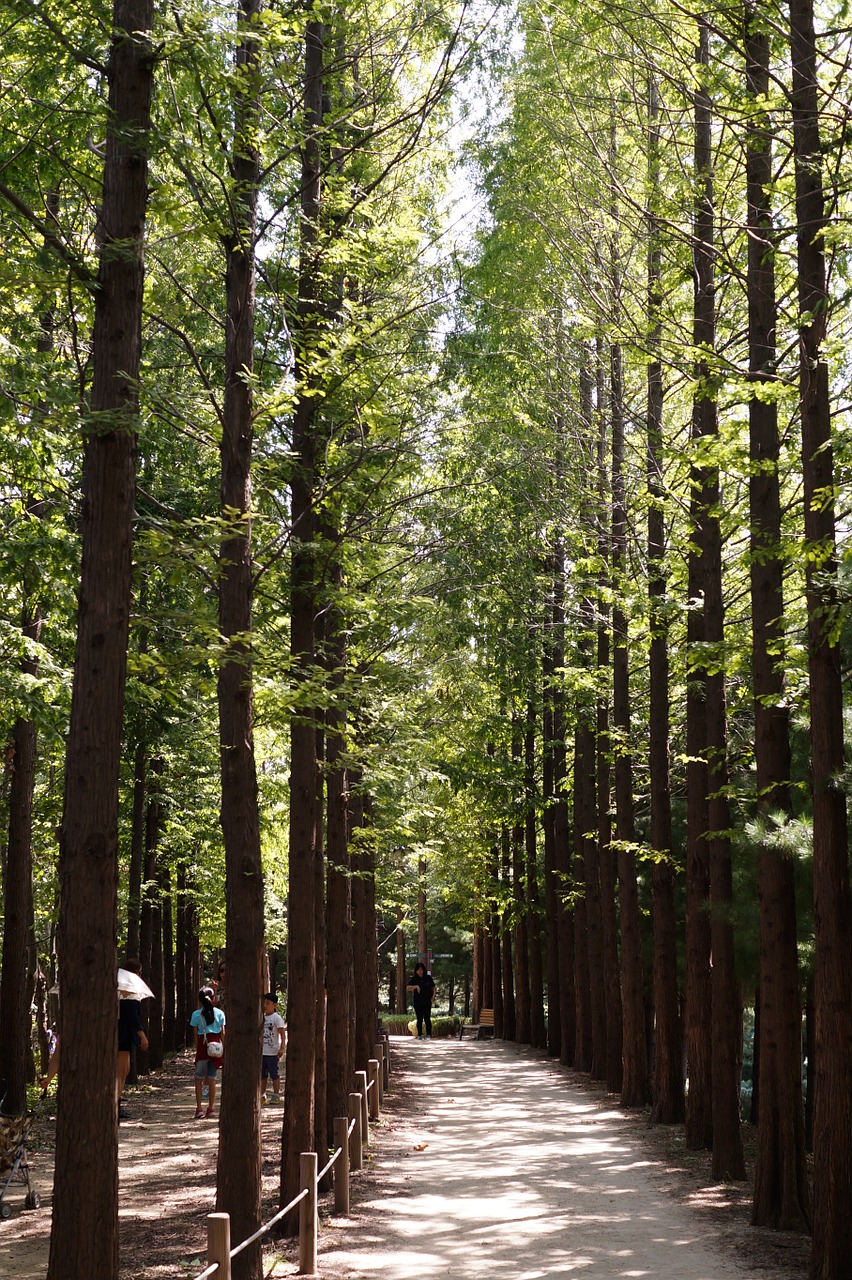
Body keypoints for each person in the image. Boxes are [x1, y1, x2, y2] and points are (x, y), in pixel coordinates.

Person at [117, 958, 149, 1121]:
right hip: (122, 1035)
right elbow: (132, 1017)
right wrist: (142, 1036)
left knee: (124, 1070)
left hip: (123, 1035)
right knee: (121, 1071)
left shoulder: (124, 989)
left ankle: (118, 1102)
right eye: (139, 972)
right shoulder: (128, 992)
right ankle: (116, 1104)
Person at [190, 986, 225, 1119]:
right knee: (212, 1078)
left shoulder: (196, 1015)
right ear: (213, 998)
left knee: (198, 1078)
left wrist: (197, 1048)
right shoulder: (220, 1013)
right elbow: (223, 1033)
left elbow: (195, 1034)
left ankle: (199, 1108)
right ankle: (211, 1107)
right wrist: (223, 1049)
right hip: (217, 1045)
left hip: (203, 1045)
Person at [261, 992, 285, 1103]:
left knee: (274, 1074)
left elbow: (282, 1033)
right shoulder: (261, 1017)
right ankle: (262, 1094)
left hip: (272, 1052)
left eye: (268, 1003)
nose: (265, 1006)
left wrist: (282, 1047)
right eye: (264, 1003)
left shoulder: (277, 1018)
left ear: (274, 1005)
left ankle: (276, 1095)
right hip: (262, 1052)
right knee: (262, 1075)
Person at [406, 962, 436, 1039]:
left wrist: (433, 996)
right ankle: (420, 1034)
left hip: (427, 1001)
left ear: (423, 970)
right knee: (419, 1019)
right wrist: (416, 986)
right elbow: (408, 987)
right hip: (418, 1002)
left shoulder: (428, 978)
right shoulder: (414, 979)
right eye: (418, 970)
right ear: (416, 971)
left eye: (421, 970)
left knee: (427, 1018)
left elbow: (433, 987)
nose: (420, 972)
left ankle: (429, 1034)